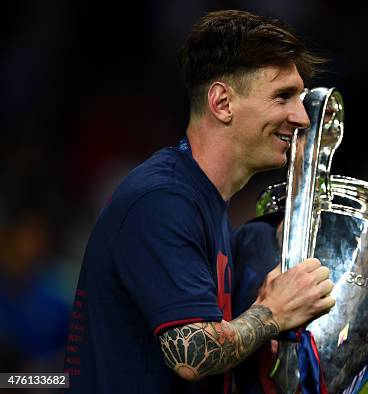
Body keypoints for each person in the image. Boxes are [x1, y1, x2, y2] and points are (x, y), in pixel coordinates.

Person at [63, 10, 335, 394]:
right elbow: (191, 355)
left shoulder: (204, 202)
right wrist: (273, 312)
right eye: (283, 97)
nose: (302, 117)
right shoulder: (162, 200)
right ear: (222, 102)